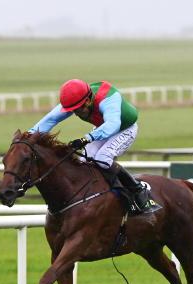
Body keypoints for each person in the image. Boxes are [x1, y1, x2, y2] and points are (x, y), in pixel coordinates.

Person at [30, 79, 159, 214]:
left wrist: (86, 138)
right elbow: (50, 119)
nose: (76, 113)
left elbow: (113, 125)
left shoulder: (107, 99)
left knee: (103, 159)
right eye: (73, 111)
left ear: (88, 101)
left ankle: (137, 190)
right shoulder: (76, 100)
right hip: (103, 128)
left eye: (78, 109)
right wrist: (28, 137)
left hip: (125, 129)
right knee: (84, 161)